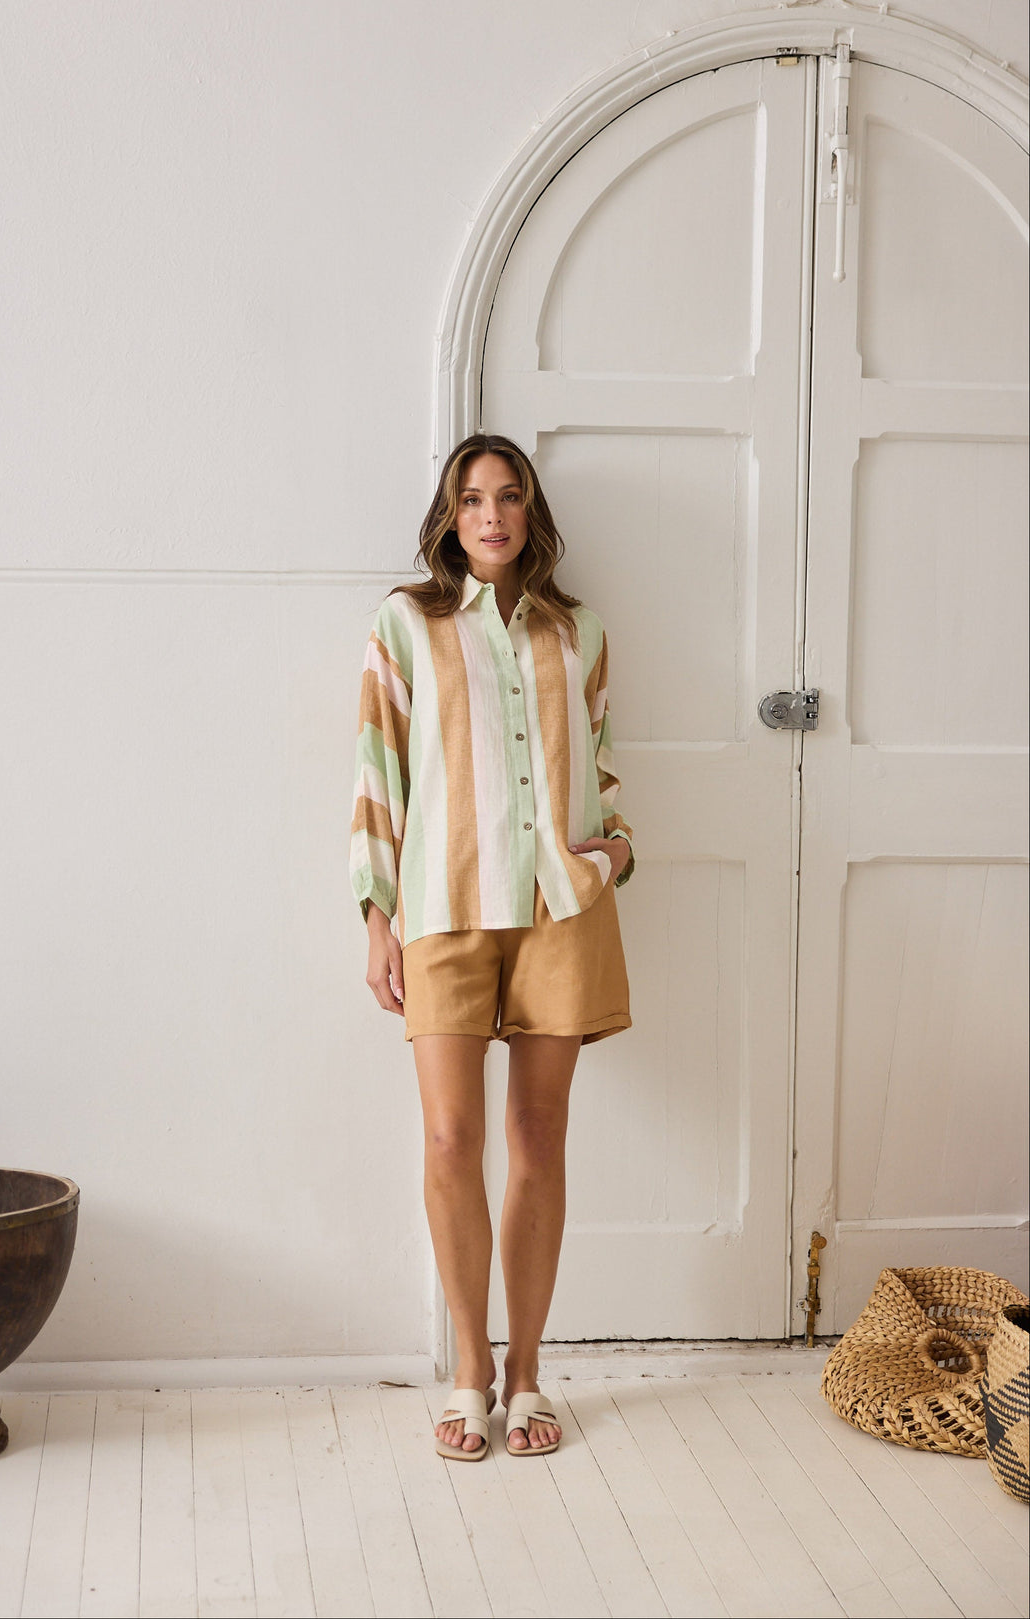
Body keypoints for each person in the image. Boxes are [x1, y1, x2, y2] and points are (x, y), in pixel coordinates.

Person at [349, 433, 634, 1460]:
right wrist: (376, 910)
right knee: (447, 1140)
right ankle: (469, 1373)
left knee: (540, 1138)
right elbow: (379, 770)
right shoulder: (408, 624)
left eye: (509, 496)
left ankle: (527, 1375)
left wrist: (618, 849)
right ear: (450, 516)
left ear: (530, 512)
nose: (493, 515)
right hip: (442, 905)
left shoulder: (578, 630)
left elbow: (599, 769)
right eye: (473, 499)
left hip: (559, 909)